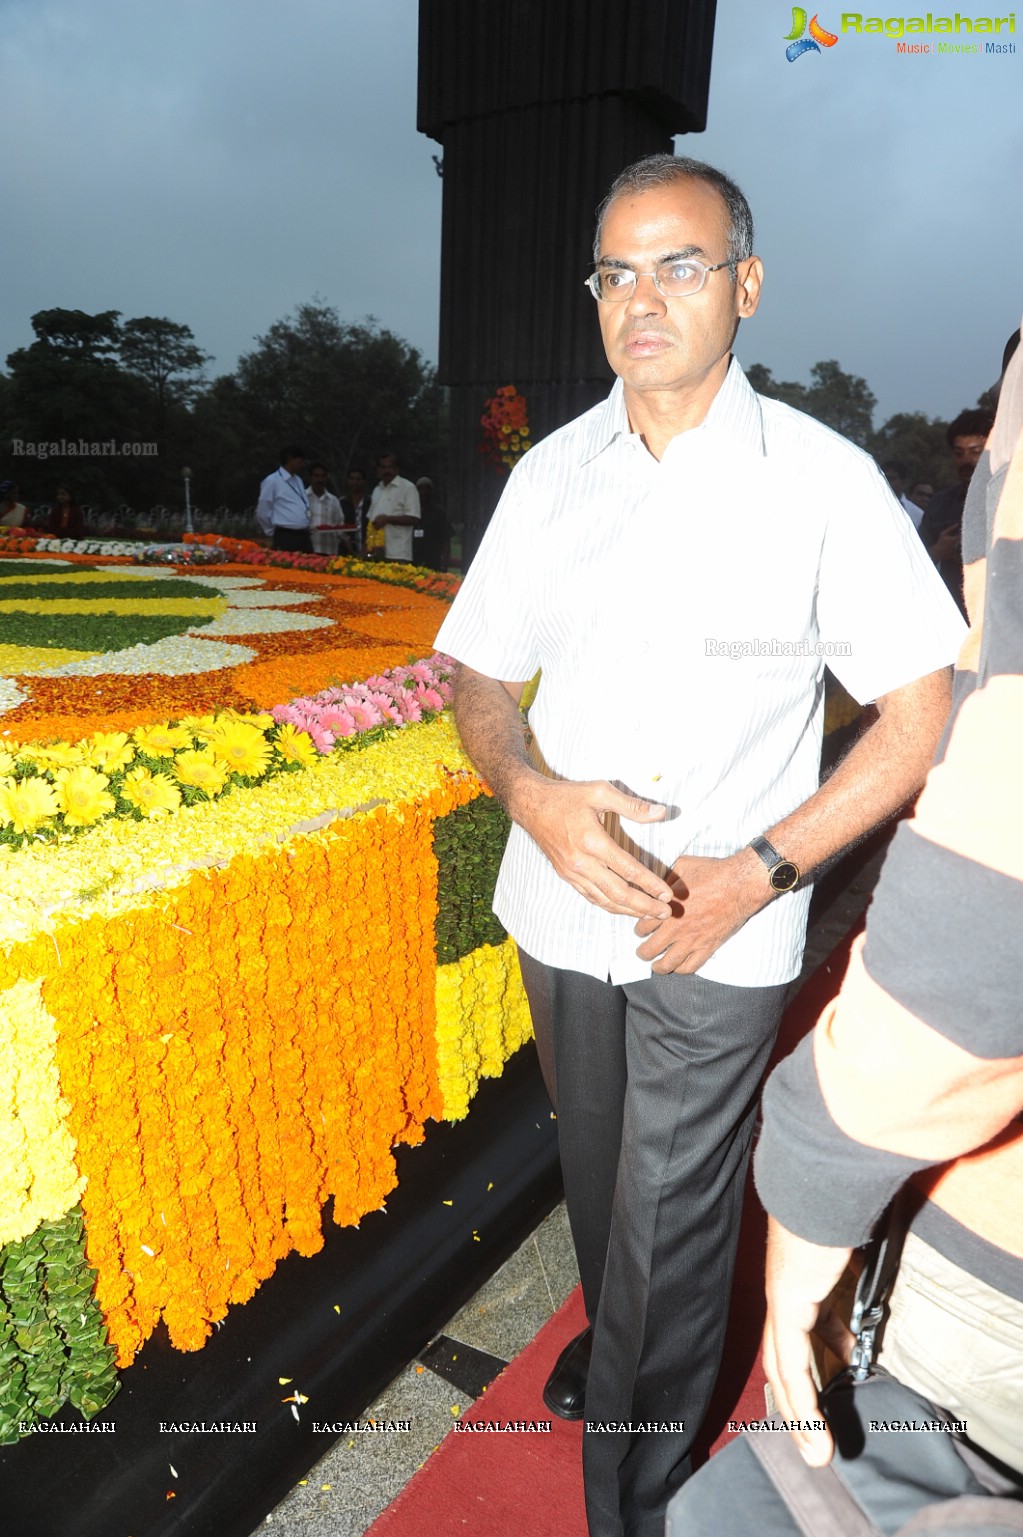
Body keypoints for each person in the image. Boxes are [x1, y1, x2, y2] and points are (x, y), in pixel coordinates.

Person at [434, 153, 965, 1537]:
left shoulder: (822, 481)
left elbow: (917, 716)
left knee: (670, 1239)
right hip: (557, 913)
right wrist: (533, 794)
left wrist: (760, 872)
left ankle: (636, 1499)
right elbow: (475, 682)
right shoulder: (551, 477)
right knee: (607, 1184)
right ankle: (623, 1359)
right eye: (616, 270)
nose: (641, 297)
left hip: (715, 931)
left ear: (743, 283)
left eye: (677, 264)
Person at [667, 325, 1023, 1534]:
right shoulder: (579, 479)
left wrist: (766, 867)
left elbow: (961, 758)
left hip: (766, 909)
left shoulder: (838, 493)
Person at [918, 408, 994, 612]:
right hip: (953, 614)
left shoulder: (1012, 499)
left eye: (976, 452)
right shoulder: (940, 504)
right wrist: (937, 552)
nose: (967, 461)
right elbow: (913, 561)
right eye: (959, 453)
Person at [255, 445, 311, 552]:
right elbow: (263, 510)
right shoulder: (272, 481)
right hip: (285, 535)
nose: (302, 464)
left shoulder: (298, 480)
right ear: (290, 459)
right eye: (300, 460)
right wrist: (271, 531)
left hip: (304, 534)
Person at [369, 452, 420, 563]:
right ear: (378, 470)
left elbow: (414, 518)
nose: (387, 471)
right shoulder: (377, 489)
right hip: (376, 553)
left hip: (398, 554)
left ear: (397, 469)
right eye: (383, 467)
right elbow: (371, 521)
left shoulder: (408, 488)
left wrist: (388, 519)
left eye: (390, 467)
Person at [306, 463, 344, 557]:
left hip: (329, 550)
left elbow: (340, 525)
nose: (320, 479)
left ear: (326, 478)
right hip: (307, 550)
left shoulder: (333, 500)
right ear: (310, 478)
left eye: (323, 476)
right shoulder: (302, 498)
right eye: (316, 476)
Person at [415, 475, 450, 570]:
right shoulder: (411, 511)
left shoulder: (439, 512)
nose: (424, 492)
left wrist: (445, 562)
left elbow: (446, 538)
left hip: (433, 559)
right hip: (414, 559)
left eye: (427, 489)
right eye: (420, 489)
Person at [882, 457, 925, 530]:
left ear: (904, 483)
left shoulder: (917, 513)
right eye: (884, 478)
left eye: (892, 479)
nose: (886, 482)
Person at [339, 467, 372, 556]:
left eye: (358, 479)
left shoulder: (371, 502)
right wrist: (346, 540)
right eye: (352, 479)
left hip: (369, 551)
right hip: (346, 552)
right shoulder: (341, 503)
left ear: (364, 481)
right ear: (348, 481)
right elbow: (338, 526)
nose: (355, 482)